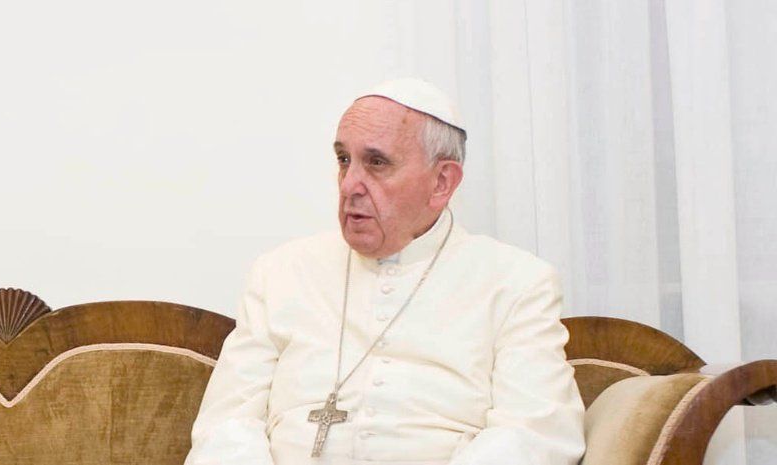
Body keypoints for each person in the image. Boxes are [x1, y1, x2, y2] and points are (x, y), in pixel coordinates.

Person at [184, 78, 585, 465]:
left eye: (377, 163)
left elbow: (534, 432)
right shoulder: (279, 273)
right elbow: (227, 423)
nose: (349, 185)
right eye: (344, 160)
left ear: (441, 182)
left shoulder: (516, 283)